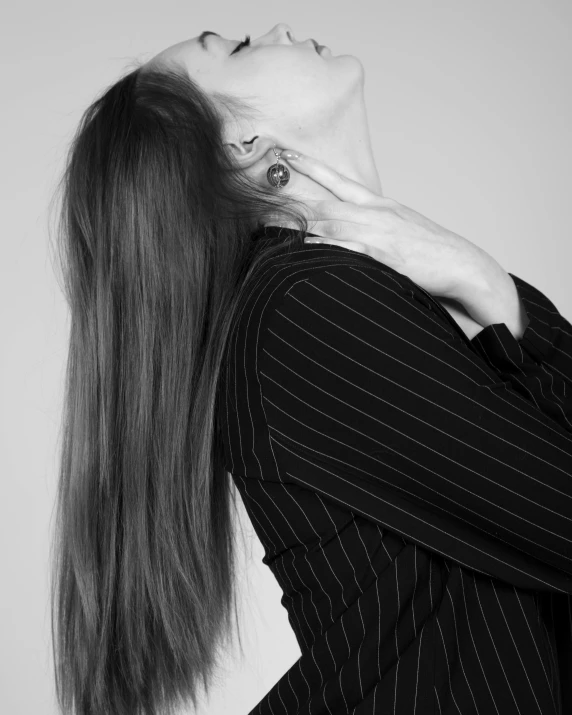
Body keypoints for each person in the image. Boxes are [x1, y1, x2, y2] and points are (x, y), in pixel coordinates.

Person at [50, 22, 572, 715]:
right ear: (244, 150)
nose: (279, 29)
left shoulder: (305, 301)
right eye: (236, 47)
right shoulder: (309, 308)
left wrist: (492, 295)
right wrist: (487, 284)